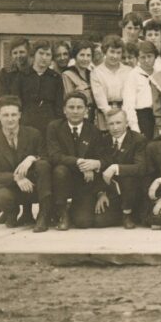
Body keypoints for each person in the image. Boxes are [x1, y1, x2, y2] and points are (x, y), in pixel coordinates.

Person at [0, 96, 53, 232]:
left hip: (32, 186)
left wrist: (32, 157)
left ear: (20, 115)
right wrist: (16, 178)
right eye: (6, 115)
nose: (10, 119)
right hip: (11, 187)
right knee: (1, 198)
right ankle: (12, 212)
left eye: (14, 114)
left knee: (43, 165)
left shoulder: (33, 134)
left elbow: (47, 157)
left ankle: (43, 215)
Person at [46, 91, 110, 230]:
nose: (75, 111)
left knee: (83, 222)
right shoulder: (55, 127)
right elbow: (54, 156)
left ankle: (73, 209)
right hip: (61, 180)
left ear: (86, 110)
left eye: (79, 107)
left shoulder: (93, 130)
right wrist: (82, 163)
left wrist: (95, 164)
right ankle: (63, 213)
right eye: (71, 107)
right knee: (60, 170)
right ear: (64, 110)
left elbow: (103, 158)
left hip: (84, 183)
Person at [99, 108, 147, 229]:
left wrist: (116, 168)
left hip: (133, 191)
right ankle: (118, 213)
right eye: (111, 124)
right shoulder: (103, 141)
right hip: (112, 190)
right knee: (99, 221)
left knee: (128, 176)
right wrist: (101, 193)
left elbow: (141, 168)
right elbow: (100, 169)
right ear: (106, 125)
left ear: (126, 123)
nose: (115, 128)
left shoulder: (138, 140)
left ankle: (128, 214)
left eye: (118, 123)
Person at [14, 39, 65, 136]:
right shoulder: (22, 76)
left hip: (49, 125)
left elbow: (59, 106)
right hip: (26, 123)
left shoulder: (56, 78)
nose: (44, 57)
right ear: (34, 54)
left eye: (48, 54)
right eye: (41, 53)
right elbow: (16, 102)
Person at [90, 36, 131, 132]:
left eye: (118, 53)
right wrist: (111, 117)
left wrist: (123, 117)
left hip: (125, 112)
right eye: (112, 52)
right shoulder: (96, 72)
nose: (115, 56)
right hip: (104, 114)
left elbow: (129, 96)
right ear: (105, 52)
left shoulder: (128, 71)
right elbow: (99, 98)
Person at [123, 40, 158, 140]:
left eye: (149, 56)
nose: (146, 60)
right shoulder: (133, 75)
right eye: (143, 57)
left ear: (155, 56)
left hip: (158, 117)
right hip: (142, 117)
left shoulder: (159, 74)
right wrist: (135, 128)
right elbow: (128, 105)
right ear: (138, 58)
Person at [61, 40, 95, 123]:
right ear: (75, 56)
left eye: (88, 55)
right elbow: (69, 98)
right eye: (82, 55)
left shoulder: (92, 74)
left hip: (93, 115)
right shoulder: (67, 74)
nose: (85, 59)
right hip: (76, 116)